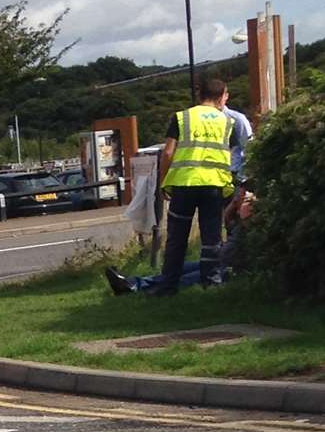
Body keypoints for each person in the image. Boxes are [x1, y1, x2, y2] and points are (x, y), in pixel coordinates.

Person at [118, 77, 245, 297]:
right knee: (211, 239)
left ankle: (168, 287)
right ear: (223, 95)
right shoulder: (228, 123)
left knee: (177, 238)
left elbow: (168, 152)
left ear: (199, 94)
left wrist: (164, 181)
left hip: (184, 184)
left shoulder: (182, 117)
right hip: (214, 185)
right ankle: (211, 284)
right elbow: (233, 154)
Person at [106, 190, 255, 295]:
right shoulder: (241, 220)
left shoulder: (254, 220)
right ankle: (135, 283)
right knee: (180, 268)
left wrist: (242, 212)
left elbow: (231, 252)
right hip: (225, 259)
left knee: (191, 277)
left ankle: (137, 287)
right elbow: (229, 228)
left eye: (246, 198)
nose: (242, 197)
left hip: (233, 267)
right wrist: (233, 207)